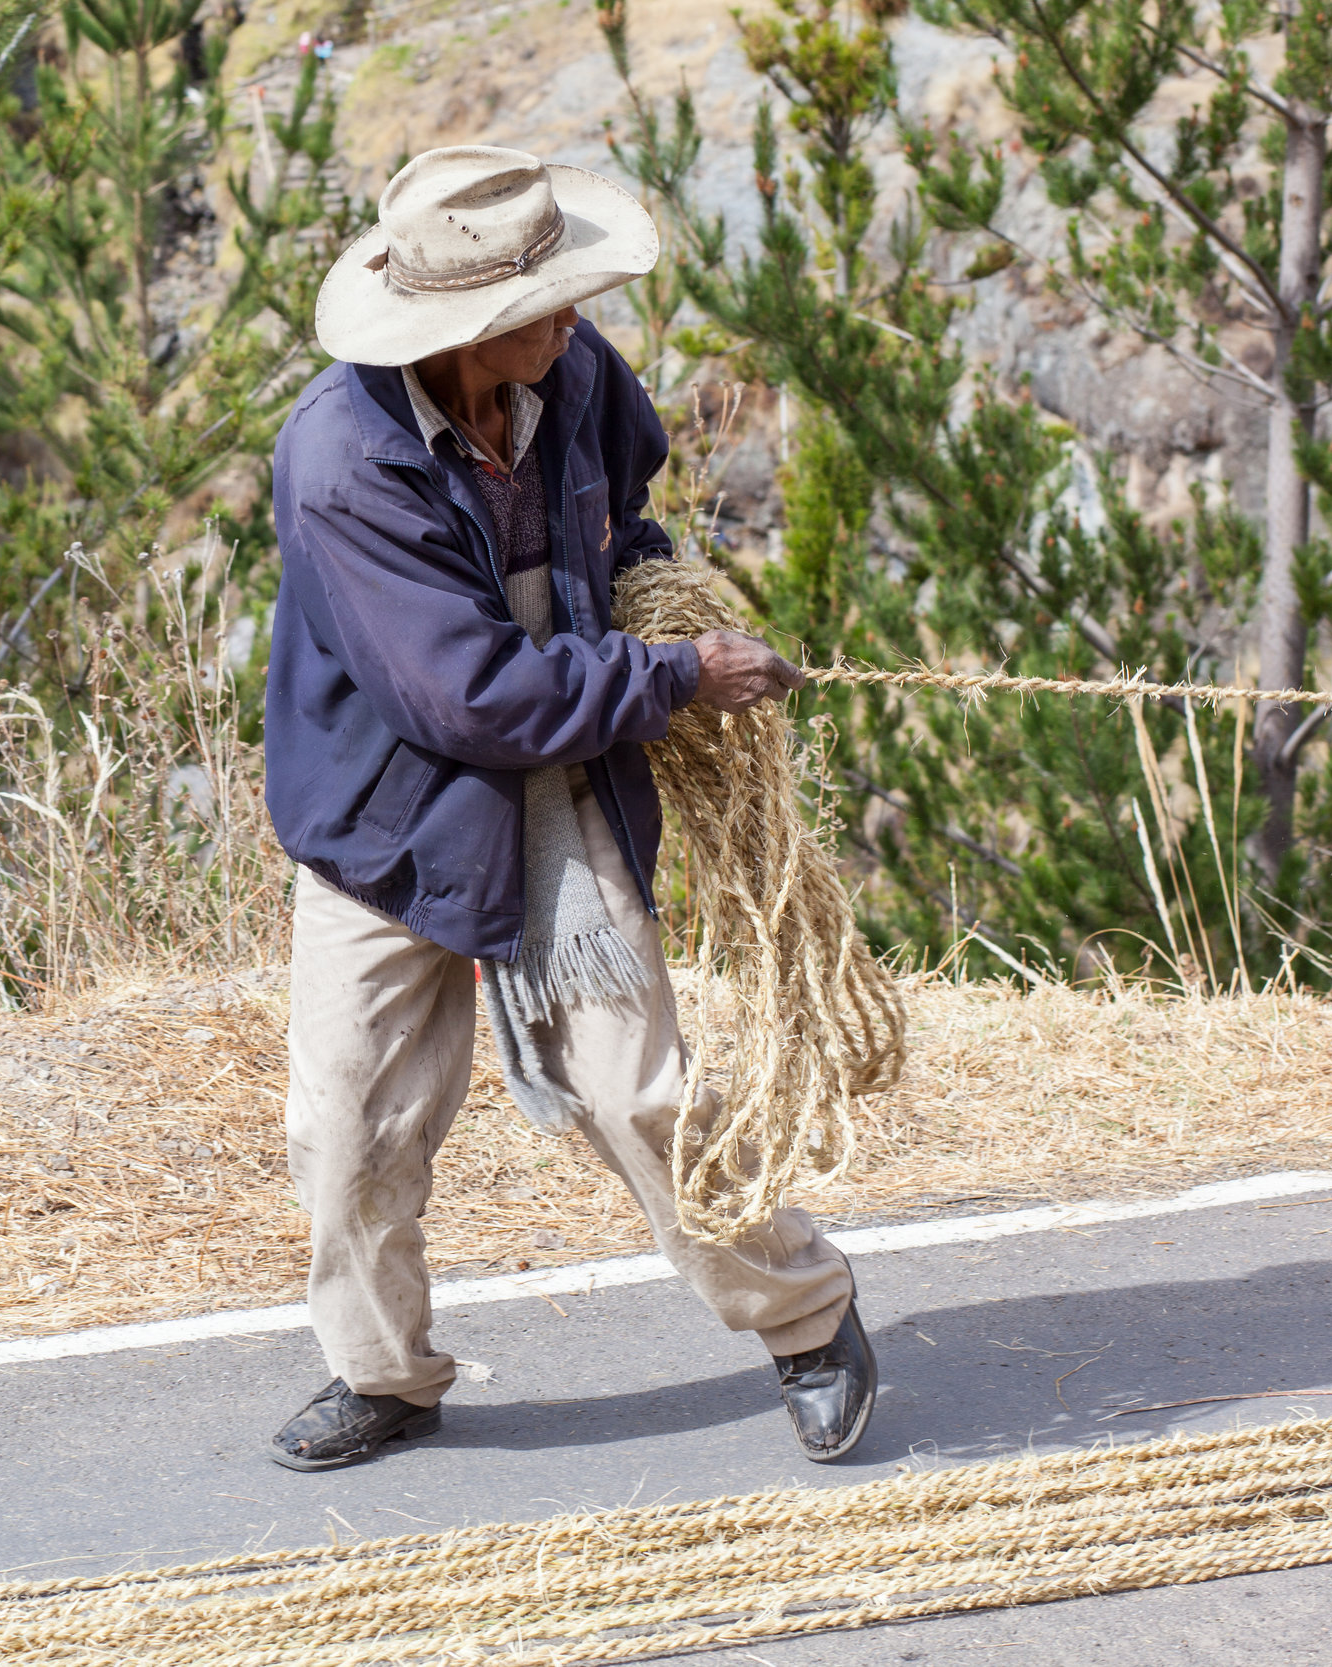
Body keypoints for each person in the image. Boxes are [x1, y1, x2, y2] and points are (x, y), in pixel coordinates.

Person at [261, 145, 876, 1472]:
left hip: (571, 763)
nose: (575, 316)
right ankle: (384, 1372)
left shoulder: (574, 374)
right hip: (396, 811)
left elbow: (630, 495)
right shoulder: (343, 463)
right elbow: (463, 695)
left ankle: (808, 1319)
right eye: (544, 302)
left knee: (636, 1090)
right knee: (347, 1119)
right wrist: (677, 675)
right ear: (460, 331)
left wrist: (652, 585)